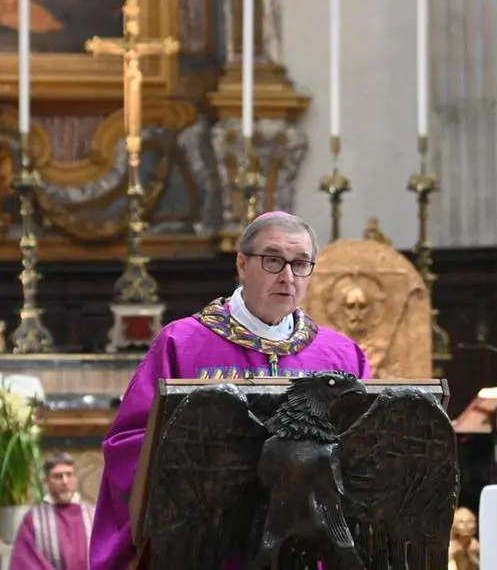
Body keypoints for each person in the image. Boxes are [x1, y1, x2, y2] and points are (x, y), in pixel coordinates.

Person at [89, 211, 373, 570]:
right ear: (242, 264)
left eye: (301, 264)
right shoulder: (183, 343)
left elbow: (366, 449)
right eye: (273, 261)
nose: (288, 276)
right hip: (212, 548)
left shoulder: (341, 355)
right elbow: (131, 443)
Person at [9, 452, 96, 570]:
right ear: (46, 481)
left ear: (75, 478)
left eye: (69, 475)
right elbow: (25, 562)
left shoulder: (93, 515)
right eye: (58, 476)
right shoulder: (33, 520)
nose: (65, 481)